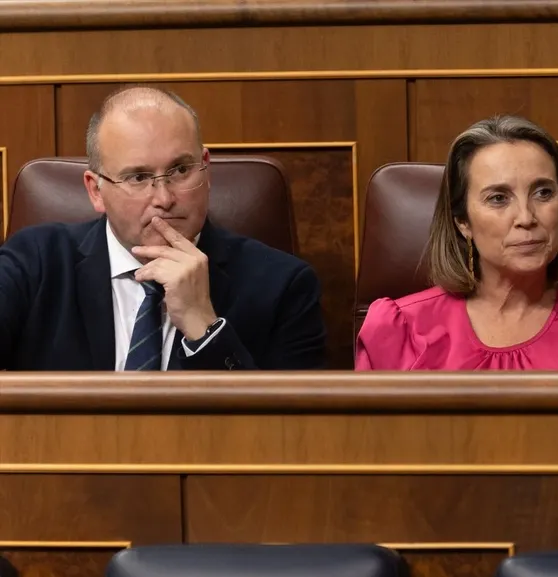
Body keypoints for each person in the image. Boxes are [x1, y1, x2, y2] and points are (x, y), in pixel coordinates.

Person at [0, 86, 327, 370]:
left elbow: (288, 435)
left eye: (181, 170)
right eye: (138, 177)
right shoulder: (33, 263)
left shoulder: (284, 287)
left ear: (206, 169)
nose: (164, 198)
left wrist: (205, 327)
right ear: (96, 191)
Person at [355, 114, 558, 370]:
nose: (526, 217)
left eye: (544, 193)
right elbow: (371, 438)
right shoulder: (400, 329)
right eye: (498, 198)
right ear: (463, 222)